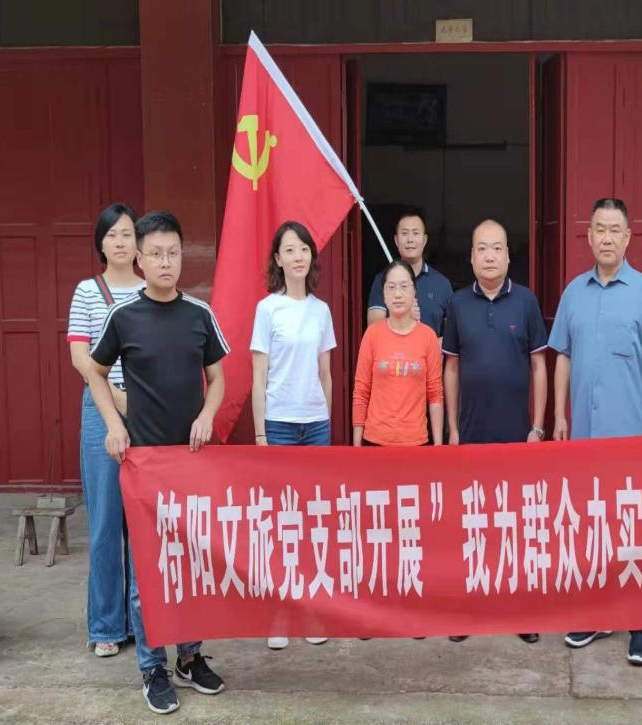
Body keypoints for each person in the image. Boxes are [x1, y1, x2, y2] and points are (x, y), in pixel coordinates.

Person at [88, 210, 230, 715]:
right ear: (140, 260)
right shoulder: (123, 317)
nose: (166, 262)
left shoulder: (199, 314)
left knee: (190, 562)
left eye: (173, 253)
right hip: (144, 463)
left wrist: (207, 415)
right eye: (156, 254)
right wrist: (114, 425)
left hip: (190, 461)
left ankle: (189, 656)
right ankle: (153, 666)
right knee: (148, 568)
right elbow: (95, 372)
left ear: (182, 256)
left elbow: (219, 378)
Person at [548, 198, 642, 666]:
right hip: (584, 434)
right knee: (591, 525)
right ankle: (597, 614)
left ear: (628, 237)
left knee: (634, 527)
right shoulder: (573, 293)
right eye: (599, 228)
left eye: (614, 229)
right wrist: (559, 416)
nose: (606, 237)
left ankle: (641, 625)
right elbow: (563, 356)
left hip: (631, 434)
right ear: (589, 235)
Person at [441, 219, 549, 645]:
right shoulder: (457, 304)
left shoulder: (525, 301)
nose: (489, 256)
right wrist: (452, 429)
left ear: (508, 255)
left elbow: (539, 364)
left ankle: (520, 610)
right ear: (471, 256)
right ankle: (468, 609)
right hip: (470, 434)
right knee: (470, 524)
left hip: (517, 435)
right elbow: (451, 368)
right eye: (482, 248)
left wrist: (537, 426)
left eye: (497, 248)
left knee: (518, 523)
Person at [250, 221, 335, 651]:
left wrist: (327, 419)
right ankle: (278, 613)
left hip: (315, 426)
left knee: (312, 522)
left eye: (304, 248)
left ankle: (310, 611)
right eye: (289, 249)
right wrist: (261, 434)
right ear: (278, 259)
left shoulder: (321, 311)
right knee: (281, 522)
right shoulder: (268, 309)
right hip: (280, 425)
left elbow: (325, 373)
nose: (297, 256)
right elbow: (258, 376)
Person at [67, 203, 144, 658]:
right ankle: (106, 625)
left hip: (147, 413)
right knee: (105, 524)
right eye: (112, 234)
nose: (120, 242)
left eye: (127, 234)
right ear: (100, 242)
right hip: (101, 410)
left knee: (143, 524)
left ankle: (142, 619)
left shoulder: (150, 290)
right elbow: (81, 358)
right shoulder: (87, 292)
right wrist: (117, 398)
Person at [353, 260, 444, 447]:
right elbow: (361, 392)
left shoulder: (428, 336)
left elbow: (435, 394)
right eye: (391, 287)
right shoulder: (372, 335)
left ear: (414, 291)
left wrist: (438, 445)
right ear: (384, 294)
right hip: (375, 441)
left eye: (404, 286)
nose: (398, 294)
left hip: (416, 442)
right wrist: (356, 445)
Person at [366, 209, 454, 335]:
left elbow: (451, 336)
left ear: (424, 240)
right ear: (396, 240)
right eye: (404, 233)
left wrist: (434, 343)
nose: (410, 239)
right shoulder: (383, 280)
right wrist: (402, 318)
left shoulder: (442, 284)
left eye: (415, 233)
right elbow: (373, 328)